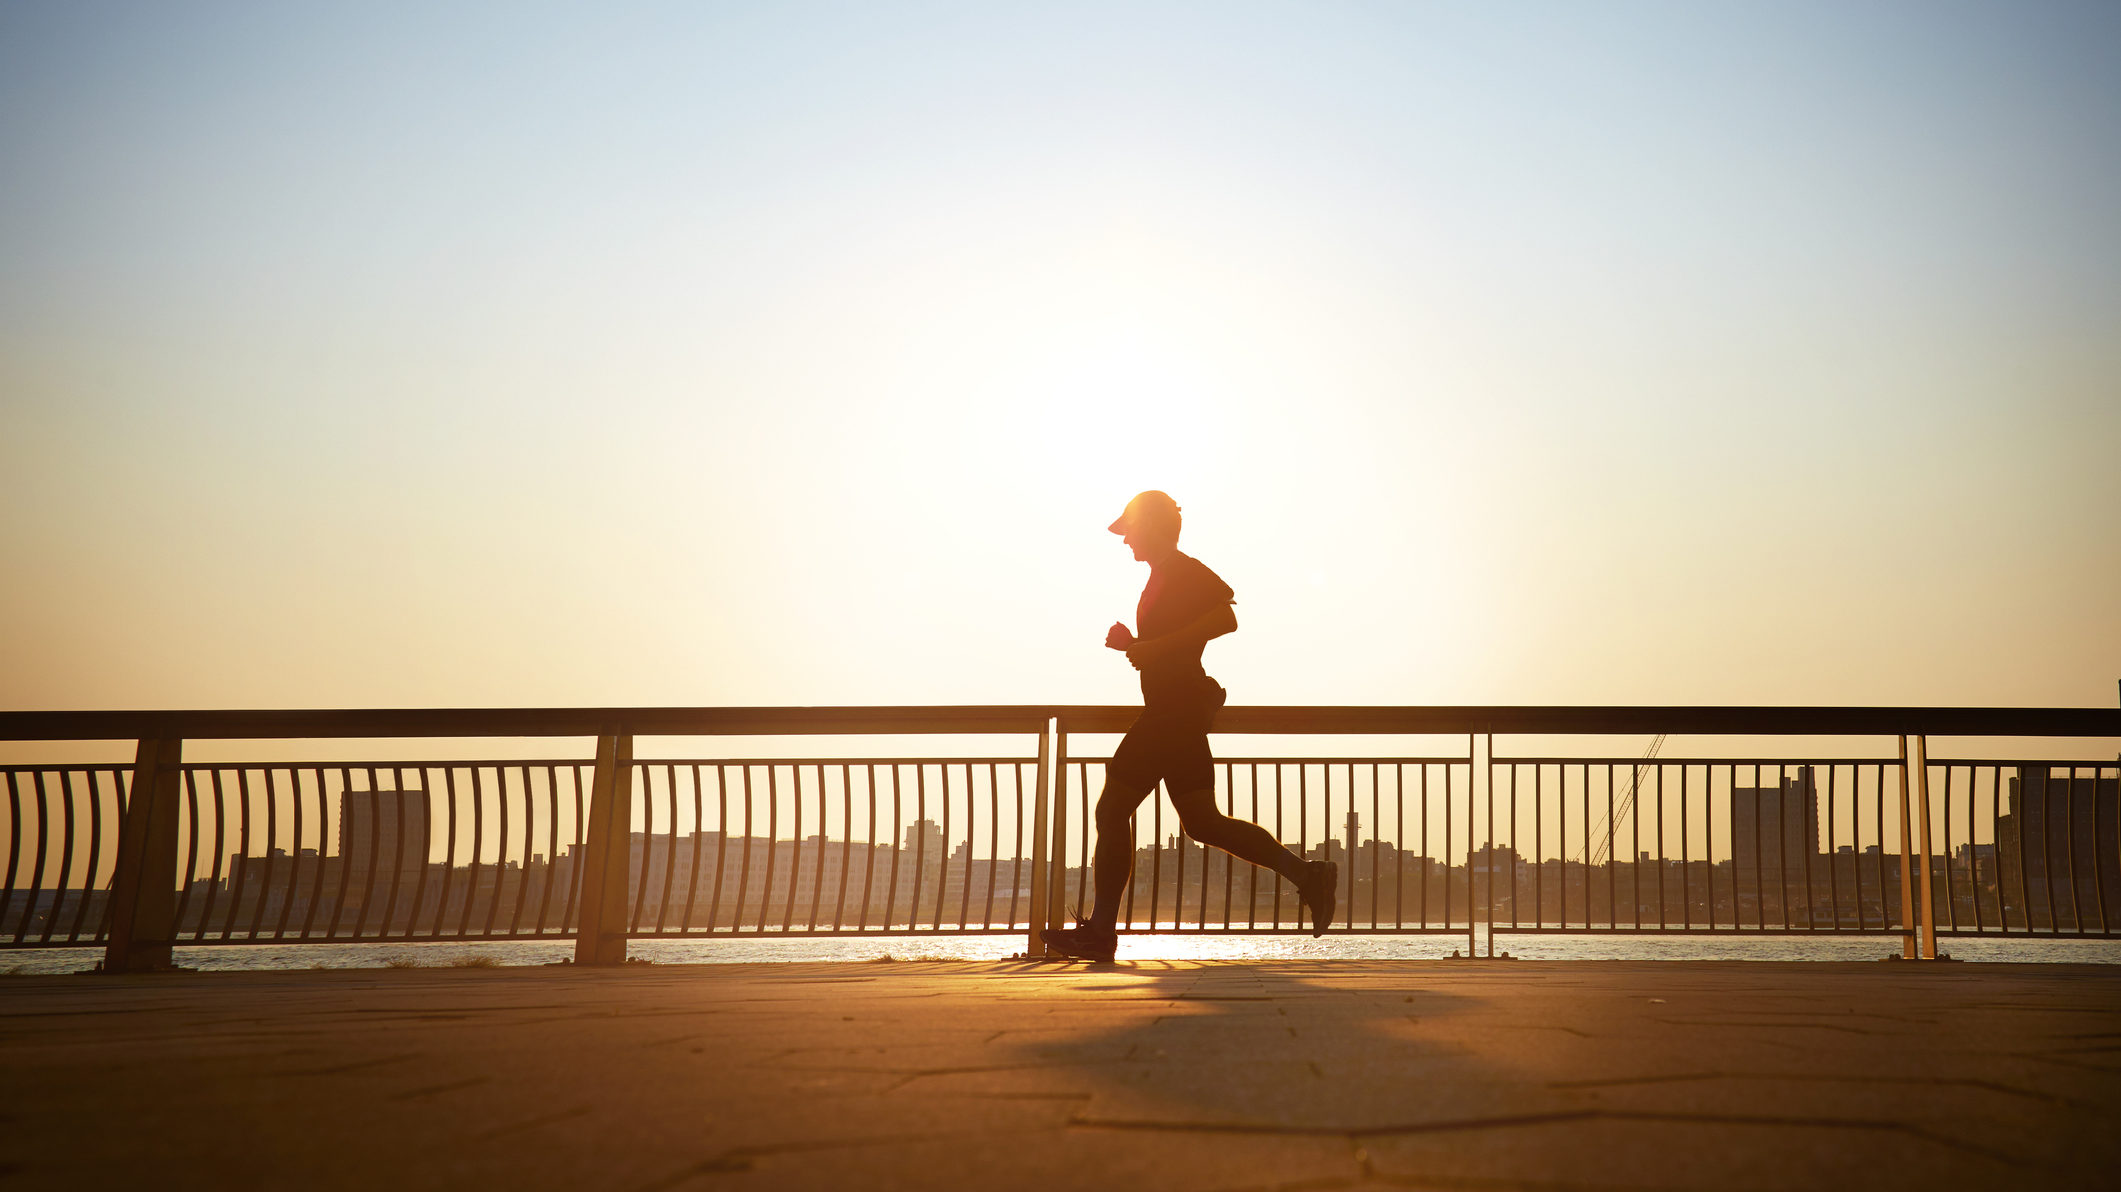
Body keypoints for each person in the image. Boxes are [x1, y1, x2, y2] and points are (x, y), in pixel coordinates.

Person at [1041, 491, 1336, 962]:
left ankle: (1100, 933)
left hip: (1171, 713)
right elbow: (1169, 646)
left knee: (1111, 809)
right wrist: (1134, 645)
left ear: (1154, 528)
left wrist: (1153, 649)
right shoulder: (1161, 577)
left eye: (1130, 530)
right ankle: (1307, 875)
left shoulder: (1182, 569)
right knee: (1203, 822)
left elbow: (1226, 618)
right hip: (1176, 711)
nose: (1125, 542)